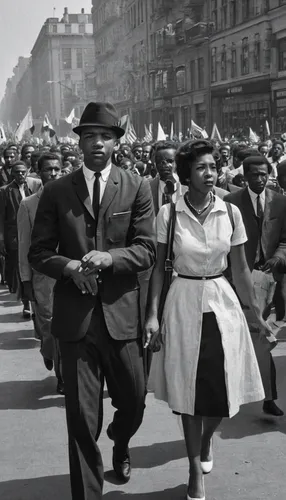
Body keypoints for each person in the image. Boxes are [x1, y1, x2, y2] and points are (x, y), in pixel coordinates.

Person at [28, 102, 156, 500]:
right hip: (76, 320)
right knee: (81, 419)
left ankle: (120, 439)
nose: (97, 143)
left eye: (104, 136)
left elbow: (148, 249)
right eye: (88, 137)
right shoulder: (55, 191)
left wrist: (110, 258)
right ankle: (88, 492)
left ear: (117, 142)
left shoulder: (137, 186)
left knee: (134, 402)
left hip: (122, 316)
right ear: (79, 143)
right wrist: (70, 268)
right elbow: (39, 253)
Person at [145, 139, 267, 500]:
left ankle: (206, 438)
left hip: (221, 304)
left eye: (214, 167)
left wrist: (257, 314)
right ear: (187, 174)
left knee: (223, 389)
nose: (210, 174)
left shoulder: (231, 213)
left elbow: (241, 269)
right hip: (182, 303)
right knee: (187, 390)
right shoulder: (169, 214)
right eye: (201, 168)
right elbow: (157, 270)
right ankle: (194, 467)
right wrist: (152, 316)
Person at [225, 155, 286, 416]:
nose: (259, 179)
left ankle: (267, 396)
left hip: (268, 280)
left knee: (260, 336)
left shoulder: (281, 202)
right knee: (246, 336)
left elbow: (285, 239)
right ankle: (254, 394)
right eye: (254, 175)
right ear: (245, 176)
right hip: (236, 279)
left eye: (263, 174)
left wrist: (279, 257)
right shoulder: (230, 202)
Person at [17, 153, 63, 394]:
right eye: (48, 170)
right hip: (42, 277)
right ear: (38, 172)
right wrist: (25, 281)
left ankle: (63, 375)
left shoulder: (72, 199)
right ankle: (48, 350)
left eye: (57, 169)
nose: (53, 174)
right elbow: (24, 246)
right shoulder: (28, 205)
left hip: (70, 273)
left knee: (68, 326)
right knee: (49, 326)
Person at [0, 161, 41, 317]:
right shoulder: (5, 191)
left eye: (23, 172)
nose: (20, 175)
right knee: (21, 269)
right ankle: (26, 303)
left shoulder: (35, 188)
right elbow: (1, 217)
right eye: (17, 172)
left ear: (28, 172)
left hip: (34, 234)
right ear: (12, 173)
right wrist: (2, 238)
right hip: (14, 236)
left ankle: (36, 302)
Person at [149, 140, 181, 215]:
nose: (165, 165)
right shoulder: (147, 188)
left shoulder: (188, 188)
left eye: (170, 161)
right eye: (160, 161)